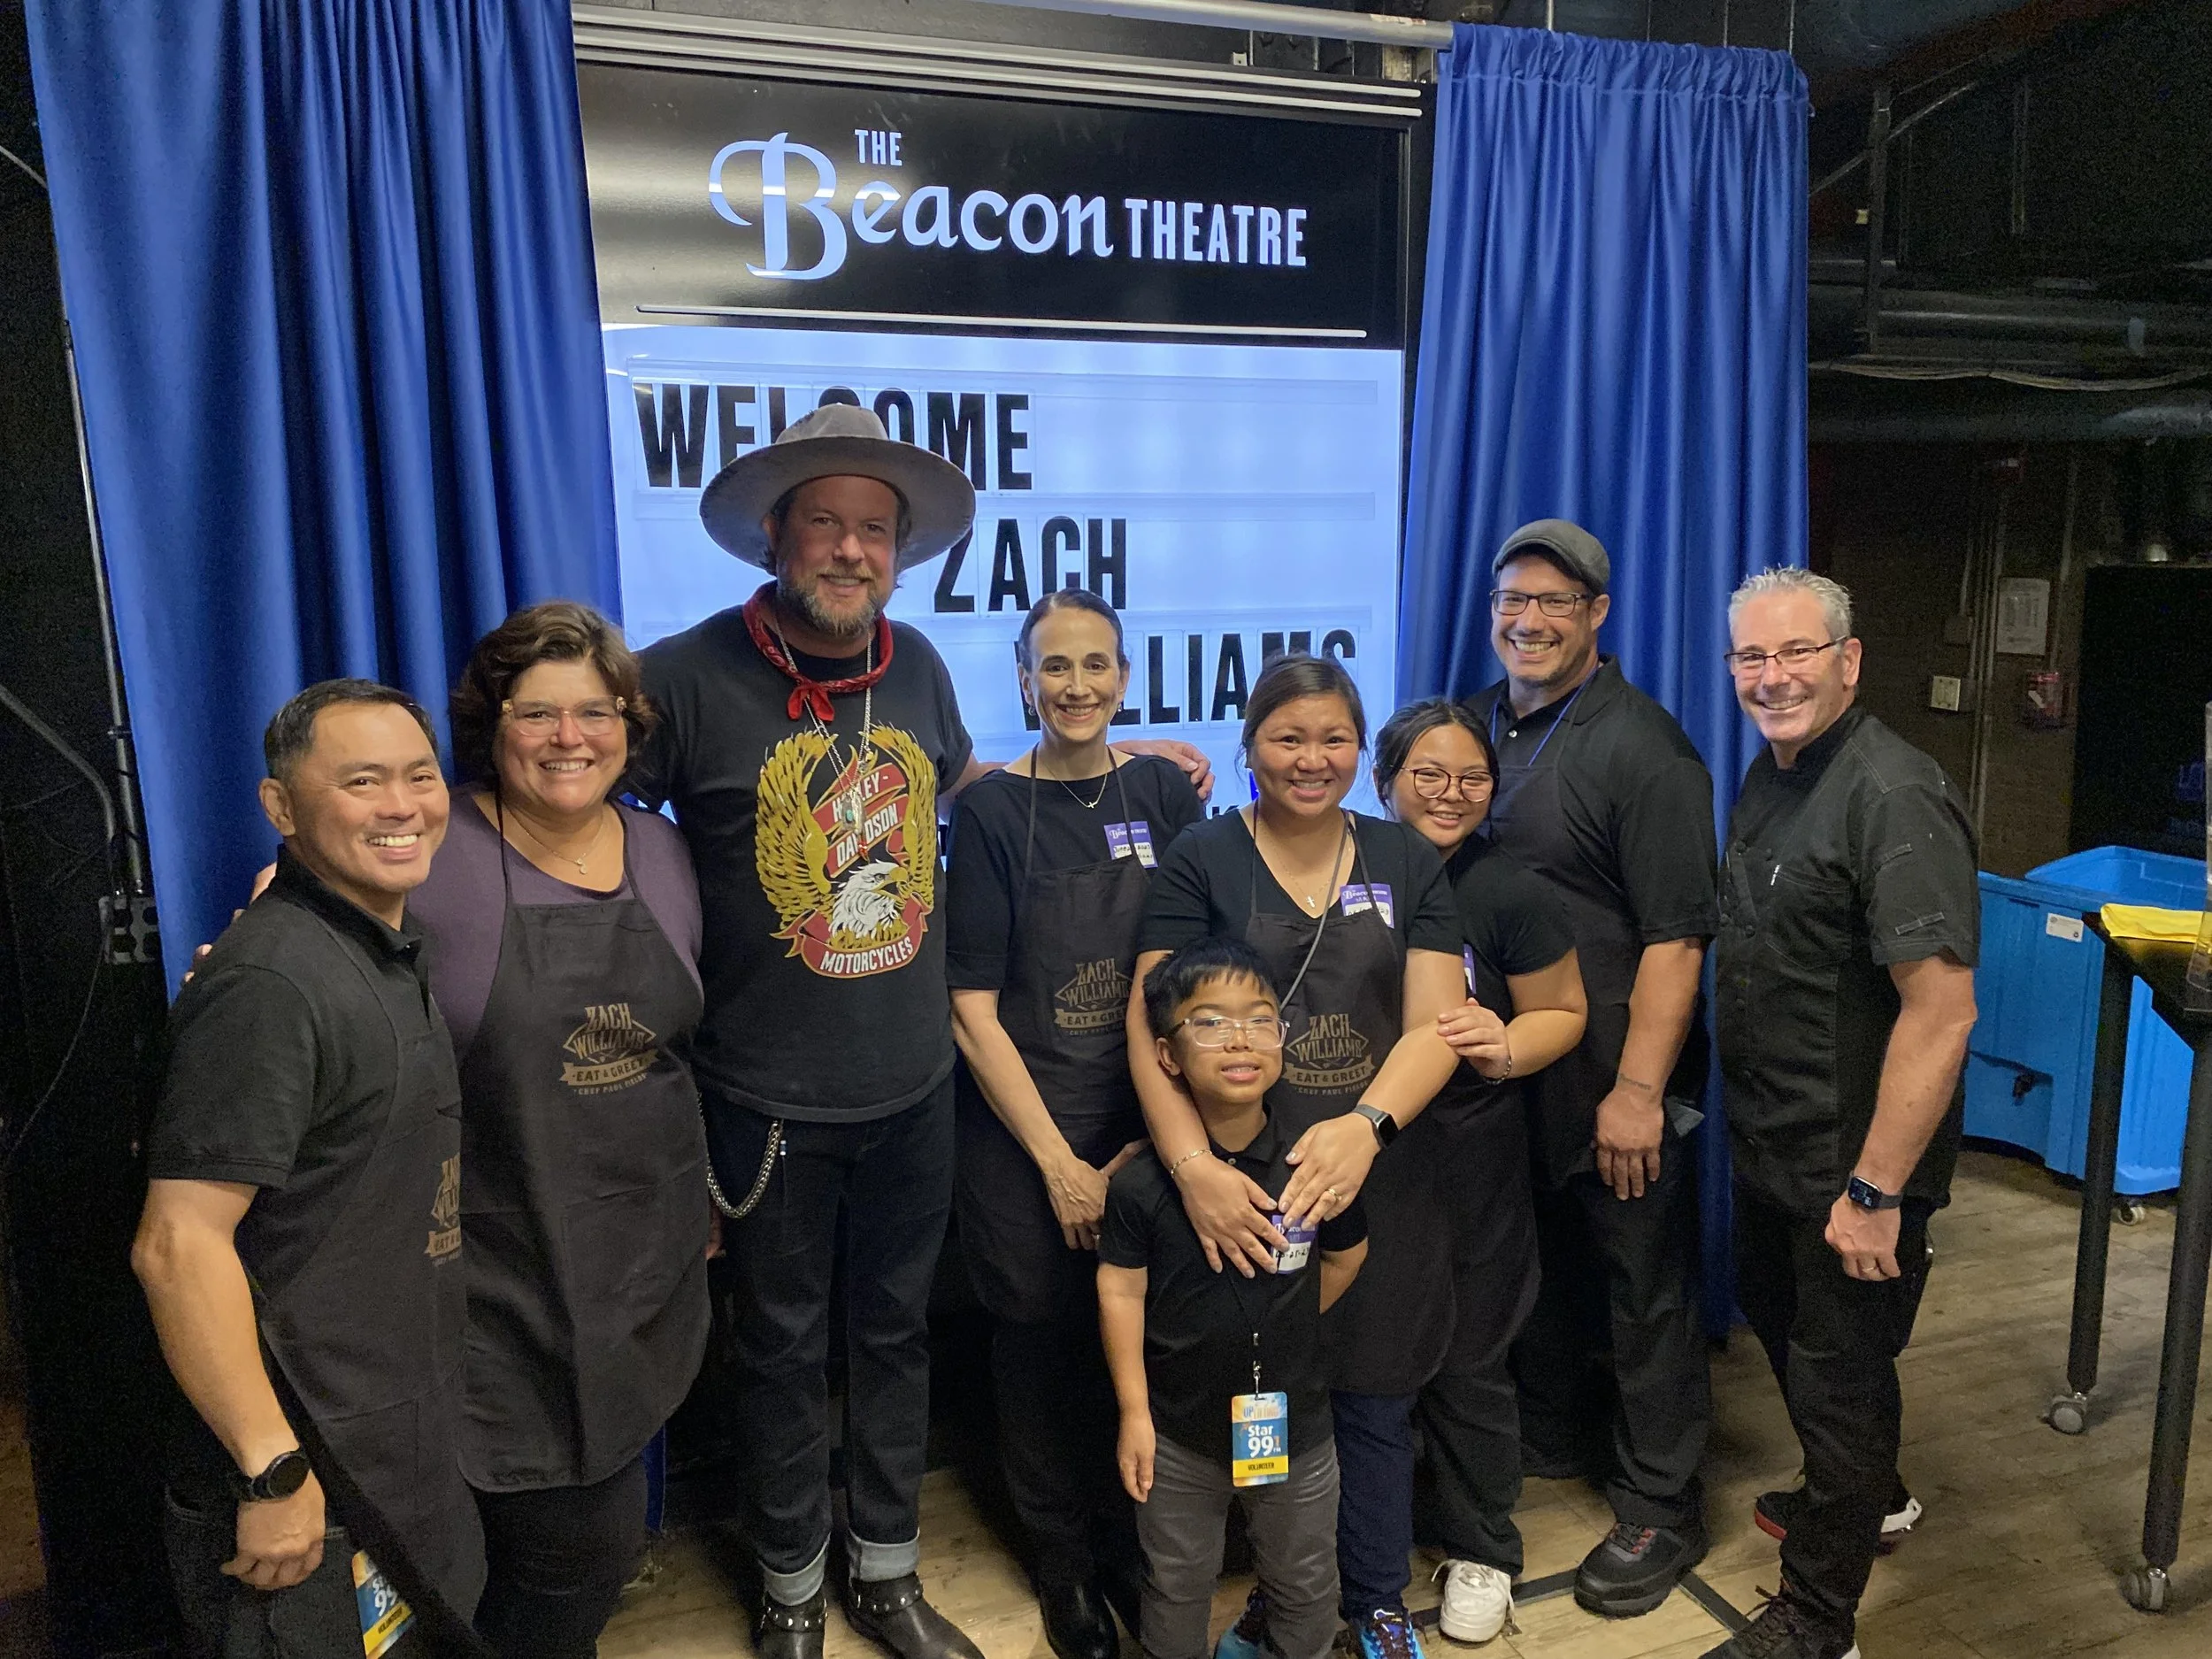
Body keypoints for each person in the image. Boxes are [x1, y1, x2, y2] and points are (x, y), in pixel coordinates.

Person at [631, 403, 1205, 1659]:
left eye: (875, 529)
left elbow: (957, 786)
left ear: (899, 551)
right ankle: (789, 1583)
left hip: (912, 1088)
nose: (850, 548)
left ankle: (884, 1570)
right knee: (779, 1349)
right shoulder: (678, 674)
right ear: (776, 535)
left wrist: (1114, 755)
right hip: (765, 1094)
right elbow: (555, 783)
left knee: (894, 1337)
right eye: (826, 523)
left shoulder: (921, 665)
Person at [134, 680, 484, 1655]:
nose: (401, 805)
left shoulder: (367, 950)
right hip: (307, 1478)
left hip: (387, 1454)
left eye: (420, 776)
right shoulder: (270, 982)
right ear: (281, 808)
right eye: (361, 781)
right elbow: (175, 1245)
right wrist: (271, 1472)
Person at [1130, 654, 1464, 1659]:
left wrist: (1364, 1130)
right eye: (1287, 737)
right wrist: (1194, 1173)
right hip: (1236, 1183)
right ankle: (1270, 1593)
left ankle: (1363, 1600)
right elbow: (1150, 1025)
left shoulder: (1407, 859)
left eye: (1332, 739)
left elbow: (1435, 1025)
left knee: (1367, 1393)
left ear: (1360, 751)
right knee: (1253, 1380)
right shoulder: (1200, 856)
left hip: (1376, 1167)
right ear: (1249, 748)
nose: (1310, 759)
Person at [418, 601, 710, 1655]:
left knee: (585, 1543)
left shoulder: (665, 852)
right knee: (560, 1551)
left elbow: (681, 1055)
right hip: (494, 1274)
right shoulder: (431, 852)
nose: (568, 738)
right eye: (536, 714)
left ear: (629, 724)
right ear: (490, 726)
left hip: (642, 1264)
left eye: (594, 712)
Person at [1702, 569, 1978, 1659]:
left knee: (1840, 1389)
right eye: (1751, 659)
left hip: (1852, 1169)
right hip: (1771, 1146)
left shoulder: (1891, 794)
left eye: (1796, 654)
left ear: (1848, 661)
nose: (1772, 678)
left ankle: (1818, 1625)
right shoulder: (1769, 777)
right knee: (1800, 1351)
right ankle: (1872, 1499)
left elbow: (1941, 1012)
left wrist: (1874, 1193)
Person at [1461, 519, 1719, 1617]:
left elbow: (1676, 938)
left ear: (1598, 616)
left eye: (1554, 603)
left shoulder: (1644, 749)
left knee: (1640, 1285)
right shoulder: (1479, 723)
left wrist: (1639, 1094)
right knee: (1549, 1269)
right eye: (1512, 600)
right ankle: (1560, 1434)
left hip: (1617, 1074)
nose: (1528, 620)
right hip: (1520, 1065)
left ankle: (1662, 1499)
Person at [945, 589, 1204, 1659]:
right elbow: (969, 1008)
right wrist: (1057, 1162)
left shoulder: (1164, 789)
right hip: (1027, 1134)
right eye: (1056, 668)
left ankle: (1135, 1555)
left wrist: (1172, 1132)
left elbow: (1197, 968)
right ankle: (1063, 1572)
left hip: (1145, 1117)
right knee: (1043, 1349)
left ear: (1127, 678)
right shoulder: (994, 812)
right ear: (1022, 682)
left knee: (1140, 1350)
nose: (1078, 686)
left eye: (1097, 665)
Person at [1370, 701, 1586, 1646]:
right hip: (1354, 1150)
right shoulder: (1341, 863)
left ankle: (1483, 1548)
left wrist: (1504, 1044)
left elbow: (1564, 1012)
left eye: (1470, 779)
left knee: (1470, 1358)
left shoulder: (1509, 891)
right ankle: (1348, 1547)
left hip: (1468, 1153)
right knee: (1358, 1358)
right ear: (1386, 779)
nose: (1449, 795)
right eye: (1428, 774)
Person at [1097, 937, 1369, 1659]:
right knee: (1176, 1580)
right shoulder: (1143, 1185)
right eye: (1209, 1021)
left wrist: (1287, 1322)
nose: (1239, 1038)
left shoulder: (1312, 1161)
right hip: (1177, 1435)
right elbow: (1120, 1288)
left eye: (1258, 1018)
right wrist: (1133, 1411)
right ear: (1166, 1054)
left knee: (1307, 1580)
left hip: (1298, 1429)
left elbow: (1346, 1253)